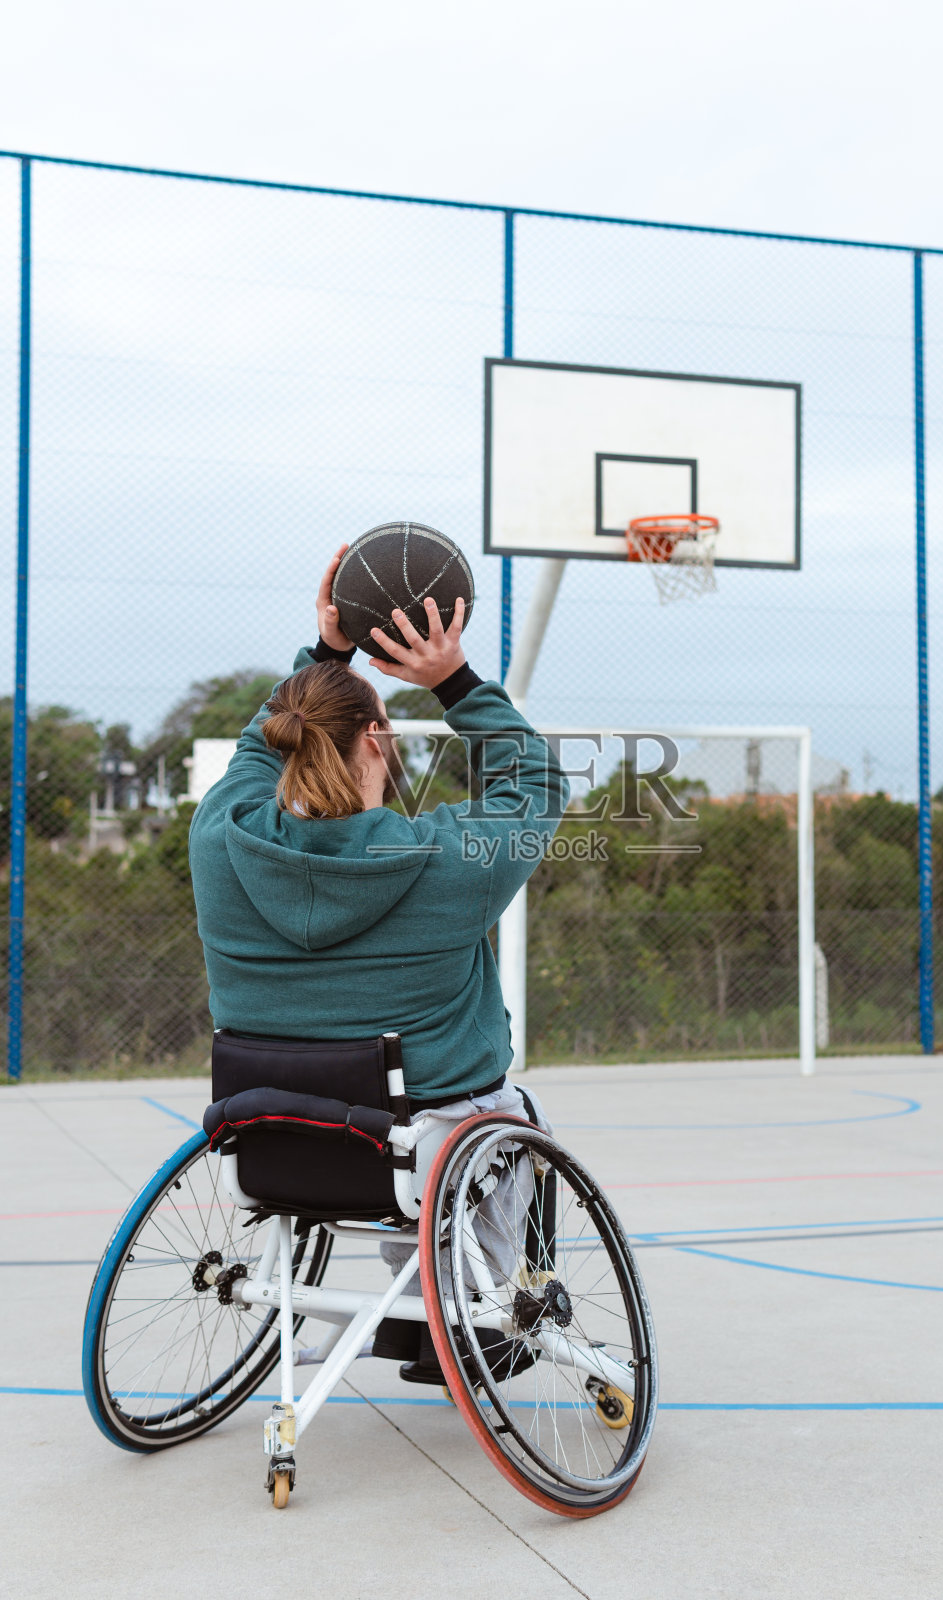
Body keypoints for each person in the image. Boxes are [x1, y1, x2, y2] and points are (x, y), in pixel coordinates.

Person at [188, 544, 569, 1382]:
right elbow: (535, 785)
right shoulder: (446, 858)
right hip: (425, 1143)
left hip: (272, 1136)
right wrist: (454, 675)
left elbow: (252, 758)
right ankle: (479, 1314)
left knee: (431, 1110)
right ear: (378, 740)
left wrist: (324, 656)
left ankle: (419, 1296)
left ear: (282, 743)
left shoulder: (219, 840)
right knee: (514, 1115)